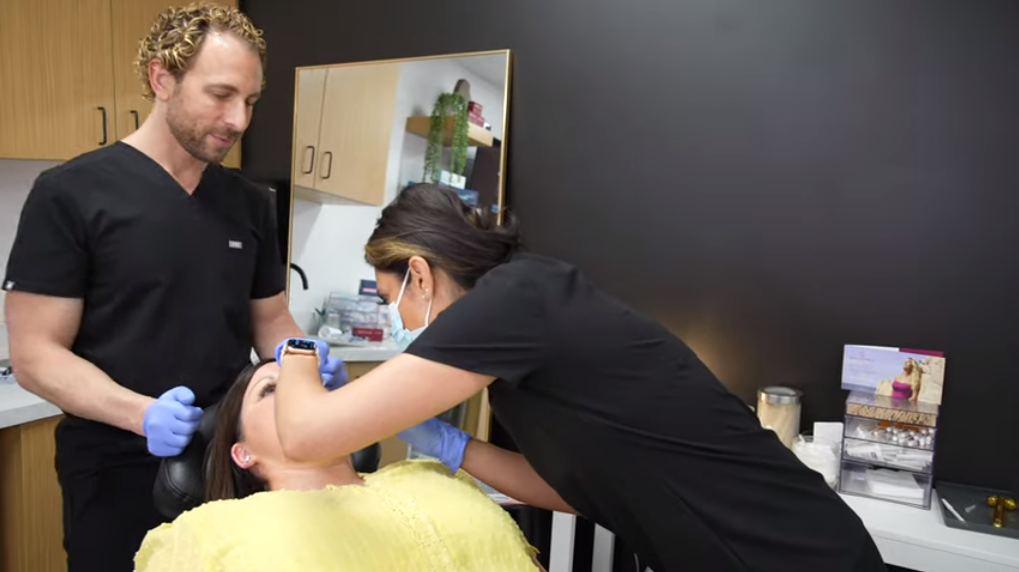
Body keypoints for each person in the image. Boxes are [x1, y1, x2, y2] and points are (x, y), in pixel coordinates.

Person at [271, 183, 888, 572]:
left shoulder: (513, 303)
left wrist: (293, 352)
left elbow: (305, 436)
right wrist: (458, 448)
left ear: (421, 276)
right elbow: (576, 488)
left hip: (789, 554)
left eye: (390, 300)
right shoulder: (516, 332)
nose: (395, 320)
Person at [2, 5, 341, 571]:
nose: (237, 119)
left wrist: (301, 359)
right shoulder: (71, 194)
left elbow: (270, 320)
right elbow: (35, 356)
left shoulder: (249, 203)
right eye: (220, 94)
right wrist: (142, 414)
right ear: (162, 79)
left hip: (227, 464)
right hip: (115, 466)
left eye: (251, 101)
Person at [133, 357, 544, 572]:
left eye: (317, 388)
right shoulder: (212, 532)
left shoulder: (431, 477)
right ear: (243, 453)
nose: (303, 400)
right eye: (272, 389)